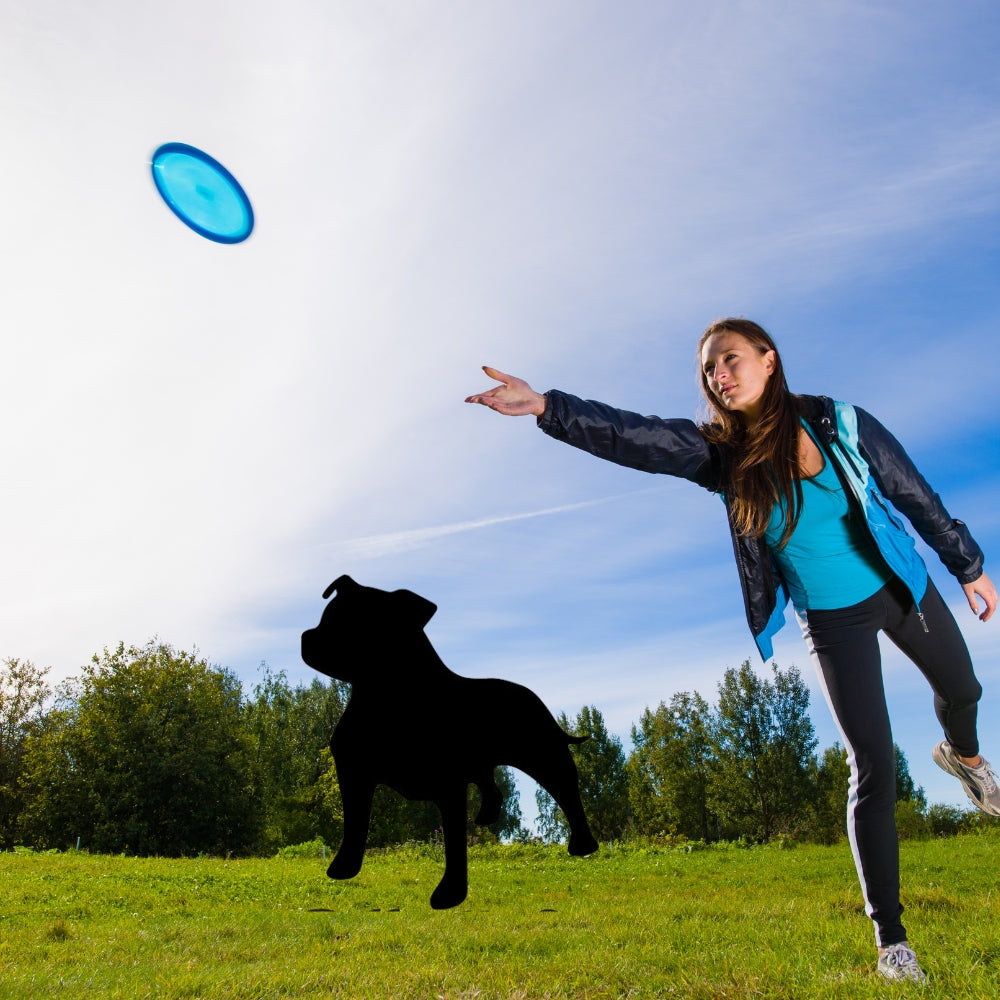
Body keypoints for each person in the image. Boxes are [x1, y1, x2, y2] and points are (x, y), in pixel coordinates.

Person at [465, 317, 998, 982]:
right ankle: (892, 942)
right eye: (710, 371)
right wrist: (547, 406)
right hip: (833, 623)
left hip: (901, 587)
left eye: (731, 359)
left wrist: (967, 564)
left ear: (768, 360)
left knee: (965, 690)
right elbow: (634, 437)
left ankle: (965, 758)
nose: (720, 376)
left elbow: (910, 489)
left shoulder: (840, 424)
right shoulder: (719, 456)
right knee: (874, 769)